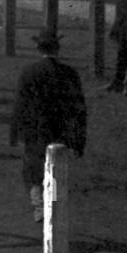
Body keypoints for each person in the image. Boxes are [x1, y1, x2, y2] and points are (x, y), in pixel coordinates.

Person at [10, 30, 87, 221]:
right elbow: (79, 109)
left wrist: (15, 133)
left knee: (33, 172)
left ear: (38, 49)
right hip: (61, 131)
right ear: (57, 49)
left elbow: (20, 105)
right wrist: (79, 140)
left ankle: (38, 206)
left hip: (35, 132)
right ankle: (50, 205)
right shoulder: (69, 74)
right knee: (54, 173)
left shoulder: (29, 72)